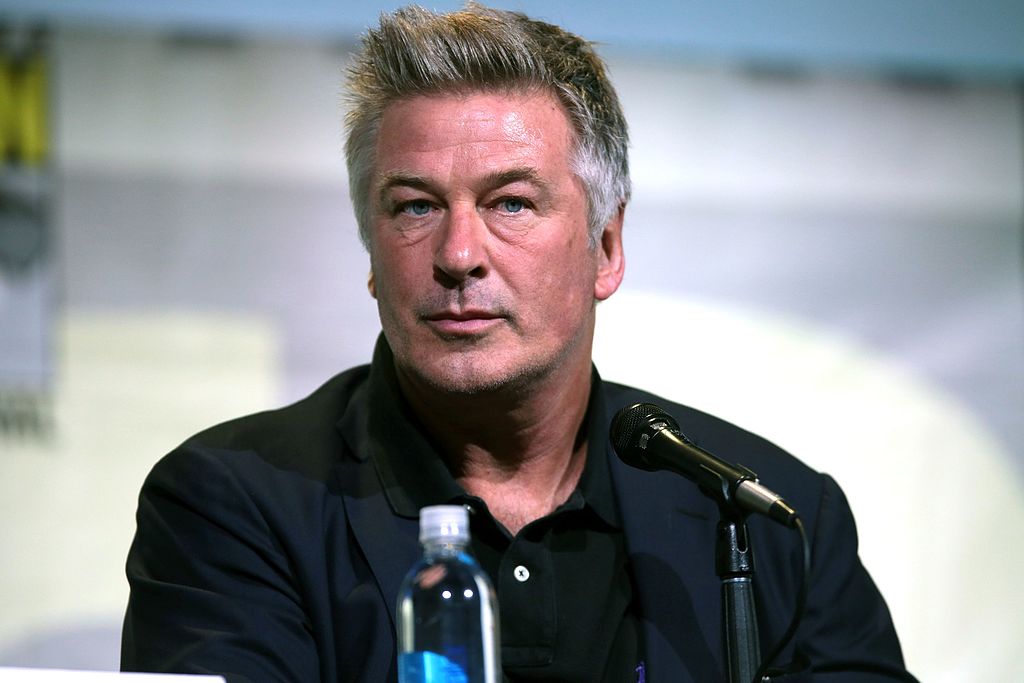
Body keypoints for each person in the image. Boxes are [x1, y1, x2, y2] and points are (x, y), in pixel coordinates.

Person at [121, 4, 914, 682]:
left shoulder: (766, 517)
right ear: (371, 254)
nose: (459, 253)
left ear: (606, 248)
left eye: (510, 202)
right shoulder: (233, 504)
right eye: (415, 206)